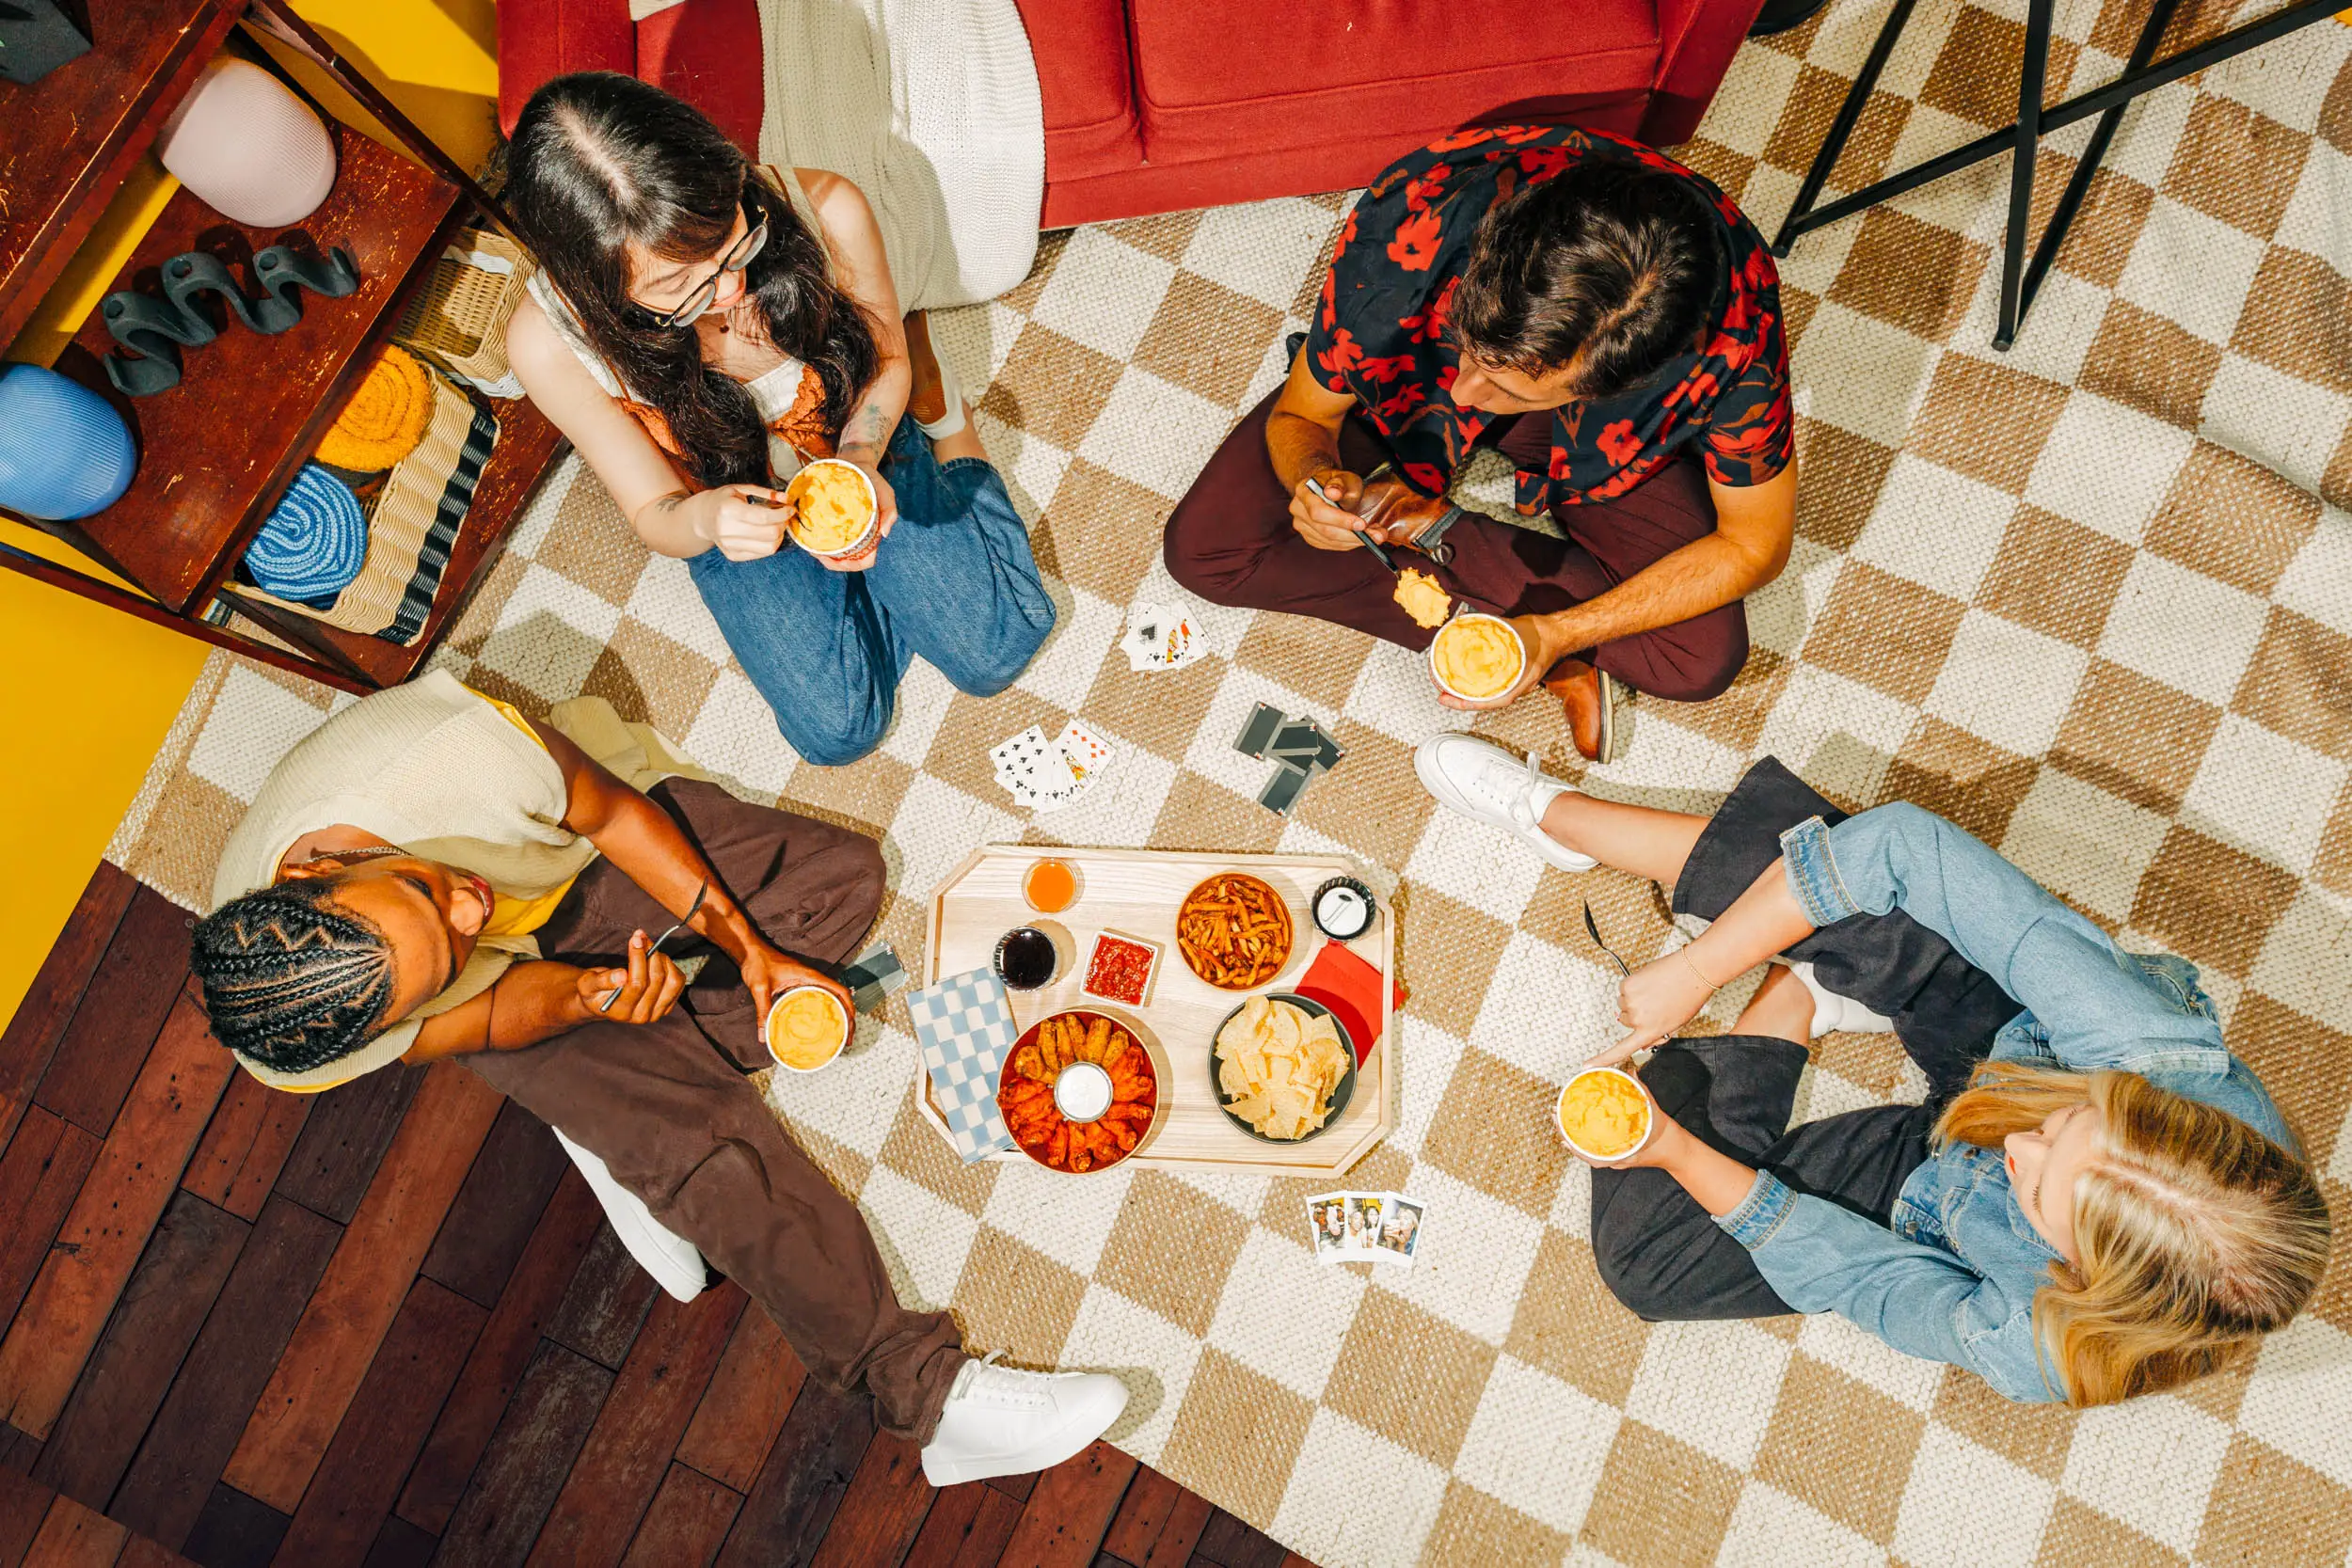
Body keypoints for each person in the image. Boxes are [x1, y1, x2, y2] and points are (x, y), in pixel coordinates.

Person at [192, 673, 1125, 1480]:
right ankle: (928, 1395)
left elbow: (609, 810)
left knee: (842, 883)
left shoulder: (454, 758)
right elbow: (474, 1015)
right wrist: (580, 1001)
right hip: (523, 995)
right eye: (446, 949)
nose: (468, 905)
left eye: (420, 888)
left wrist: (747, 951)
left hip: (583, 852)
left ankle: (625, 1119)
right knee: (710, 1147)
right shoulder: (308, 1037)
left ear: (318, 866)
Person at [1412, 733, 2330, 1403]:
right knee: (1874, 887)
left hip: (1928, 1190)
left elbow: (1865, 1279)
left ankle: (1799, 993)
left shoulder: (2041, 1349)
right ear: (2139, 1096)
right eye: (2058, 1127)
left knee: (1651, 1267)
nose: (2015, 1147)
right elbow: (1904, 845)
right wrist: (1697, 969)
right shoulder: (2137, 1041)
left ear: (2077, 1281)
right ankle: (1563, 819)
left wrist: (1676, 1153)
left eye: (2037, 1190)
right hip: (2013, 1032)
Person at [1166, 126, 1796, 762]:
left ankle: (1450, 540)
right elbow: (1303, 413)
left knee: (1698, 660)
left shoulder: (1736, 342)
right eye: (1469, 347)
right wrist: (1314, 474)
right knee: (1206, 552)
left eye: (1506, 388)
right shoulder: (1419, 216)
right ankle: (1527, 623)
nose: (1463, 394)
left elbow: (1755, 544)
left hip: (1607, 446)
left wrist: (1558, 631)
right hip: (1410, 371)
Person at [502, 72, 1055, 767]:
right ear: (596, 283)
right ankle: (894, 582)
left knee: (995, 652)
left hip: (849, 427)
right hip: (724, 494)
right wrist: (707, 521)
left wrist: (860, 454)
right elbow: (654, 509)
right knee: (837, 734)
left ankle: (952, 430)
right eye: (679, 286)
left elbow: (882, 363)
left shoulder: (826, 205)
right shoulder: (546, 342)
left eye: (730, 237)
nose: (730, 287)